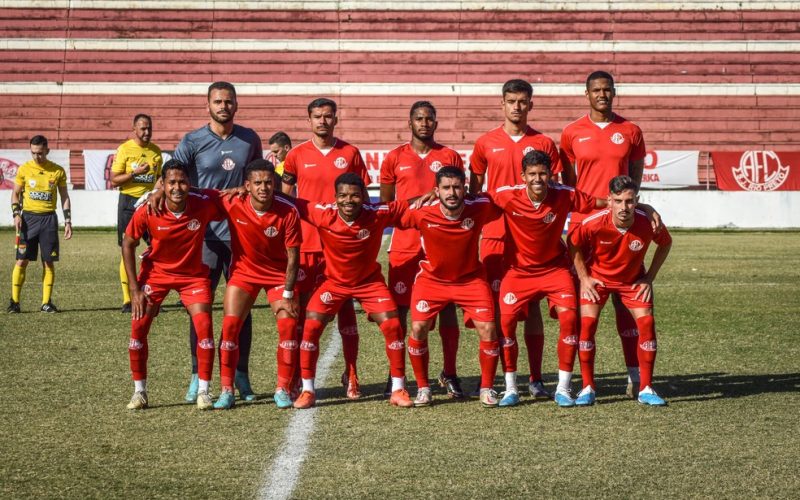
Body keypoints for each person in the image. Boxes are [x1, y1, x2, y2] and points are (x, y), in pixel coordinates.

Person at [169, 81, 264, 403]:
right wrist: (158, 191)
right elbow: (173, 173)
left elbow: (258, 176)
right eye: (218, 101)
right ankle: (199, 375)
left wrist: (245, 189)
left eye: (229, 101)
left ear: (236, 105)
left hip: (241, 235)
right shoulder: (192, 140)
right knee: (201, 308)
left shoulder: (249, 139)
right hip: (204, 237)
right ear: (208, 105)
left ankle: (241, 375)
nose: (223, 106)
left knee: (242, 310)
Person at [469, 79, 562, 399]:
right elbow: (475, 191)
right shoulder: (485, 143)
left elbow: (557, 189)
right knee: (497, 311)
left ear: (531, 105)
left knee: (533, 307)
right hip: (496, 236)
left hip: (533, 238)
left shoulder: (545, 144)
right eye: (511, 101)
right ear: (502, 104)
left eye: (523, 101)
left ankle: (536, 379)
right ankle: (497, 379)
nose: (517, 107)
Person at [486, 151, 602, 407]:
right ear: (523, 176)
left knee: (570, 319)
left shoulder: (564, 194)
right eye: (532, 174)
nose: (537, 179)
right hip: (517, 272)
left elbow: (601, 203)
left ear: (550, 175)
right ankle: (511, 388)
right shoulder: (506, 194)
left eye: (542, 174)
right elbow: (470, 200)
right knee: (505, 324)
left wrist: (641, 205)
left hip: (554, 270)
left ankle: (562, 388)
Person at [560, 70, 647, 397]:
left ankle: (635, 376)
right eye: (596, 90)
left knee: (626, 305)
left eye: (607, 90)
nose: (602, 95)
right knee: (586, 306)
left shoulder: (631, 131)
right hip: (585, 227)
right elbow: (569, 185)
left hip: (620, 227)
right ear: (587, 94)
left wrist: (637, 210)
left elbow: (634, 182)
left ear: (613, 92)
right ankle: (584, 383)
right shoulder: (571, 133)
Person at [291, 173, 411, 409]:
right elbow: (291, 202)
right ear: (335, 197)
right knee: (311, 325)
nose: (349, 200)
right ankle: (307, 390)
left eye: (355, 195)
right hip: (333, 283)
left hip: (369, 283)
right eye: (343, 195)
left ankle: (398, 388)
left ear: (364, 196)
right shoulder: (323, 214)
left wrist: (433, 194)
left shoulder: (377, 213)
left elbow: (408, 203)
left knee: (393, 325)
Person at [281, 98, 370, 399]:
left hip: (340, 246)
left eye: (328, 116)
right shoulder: (295, 155)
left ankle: (352, 372)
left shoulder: (350, 153)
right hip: (307, 245)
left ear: (335, 119)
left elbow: (364, 199)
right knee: (305, 314)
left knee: (345, 309)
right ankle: (297, 376)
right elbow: (285, 199)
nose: (322, 121)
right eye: (317, 116)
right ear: (309, 119)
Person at [122, 160, 225, 410]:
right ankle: (140, 392)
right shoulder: (148, 209)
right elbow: (128, 243)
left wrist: (239, 191)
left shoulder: (203, 203)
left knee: (204, 328)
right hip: (155, 275)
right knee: (138, 331)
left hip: (193, 277)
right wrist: (134, 290)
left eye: (182, 181)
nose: (177, 187)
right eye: (171, 182)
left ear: (190, 183)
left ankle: (203, 391)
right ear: (162, 184)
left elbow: (228, 197)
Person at [379, 100, 464, 398]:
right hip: (405, 246)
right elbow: (388, 205)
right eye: (419, 118)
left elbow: (461, 195)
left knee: (448, 308)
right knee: (401, 312)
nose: (424, 123)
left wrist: (436, 194)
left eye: (429, 119)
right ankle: (397, 374)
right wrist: (423, 198)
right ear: (410, 122)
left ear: (436, 123)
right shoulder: (393, 158)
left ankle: (449, 372)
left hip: (443, 245)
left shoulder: (449, 155)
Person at [399, 167, 502, 408]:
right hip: (432, 280)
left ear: (465, 189)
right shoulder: (422, 212)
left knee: (488, 329)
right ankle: (423, 388)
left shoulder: (480, 207)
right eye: (446, 188)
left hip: (470, 280)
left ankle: (486, 388)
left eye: (457, 187)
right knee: (418, 327)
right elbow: (393, 212)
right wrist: (417, 198)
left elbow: (503, 199)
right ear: (436, 191)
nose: (452, 192)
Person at [568, 175, 672, 406]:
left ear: (637, 201)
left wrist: (649, 278)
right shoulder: (593, 222)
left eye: (629, 201)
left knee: (647, 324)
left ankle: (645, 388)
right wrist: (584, 278)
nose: (623, 207)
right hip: (599, 281)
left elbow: (666, 243)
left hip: (632, 281)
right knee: (587, 325)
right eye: (618, 201)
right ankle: (587, 388)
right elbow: (573, 243)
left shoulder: (648, 222)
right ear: (609, 200)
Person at [213, 159, 301, 410]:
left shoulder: (288, 211)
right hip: (244, 274)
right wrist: (156, 192)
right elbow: (201, 198)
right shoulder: (232, 202)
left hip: (277, 275)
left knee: (288, 327)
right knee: (230, 327)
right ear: (247, 186)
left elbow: (293, 256)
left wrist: (287, 293)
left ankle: (282, 389)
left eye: (268, 182)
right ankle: (227, 390)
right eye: (258, 183)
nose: (264, 187)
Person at [8, 135, 72, 314]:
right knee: (22, 260)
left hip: (49, 220)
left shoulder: (57, 171)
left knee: (48, 262)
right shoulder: (24, 169)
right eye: (34, 153)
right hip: (28, 220)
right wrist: (16, 214)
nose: (37, 157)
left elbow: (64, 196)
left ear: (47, 150)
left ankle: (46, 303)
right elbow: (15, 194)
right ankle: (14, 302)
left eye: (40, 153)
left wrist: (68, 221)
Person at [110, 114, 163, 313]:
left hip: (150, 203)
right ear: (134, 129)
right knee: (127, 249)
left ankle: (152, 294)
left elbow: (160, 179)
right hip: (128, 203)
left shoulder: (156, 152)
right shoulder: (124, 149)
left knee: (156, 248)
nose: (146, 132)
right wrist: (135, 173)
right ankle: (127, 299)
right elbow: (114, 180)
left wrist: (155, 191)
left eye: (149, 128)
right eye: (142, 128)